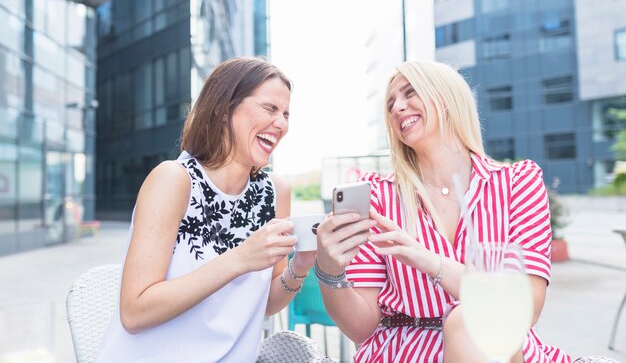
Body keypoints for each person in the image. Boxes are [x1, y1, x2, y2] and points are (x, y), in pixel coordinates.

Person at [314, 60, 571, 363]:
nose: (397, 107)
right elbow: (363, 328)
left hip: (498, 347)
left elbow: (526, 307)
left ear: (448, 97)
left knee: (472, 321)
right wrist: (329, 270)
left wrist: (431, 263)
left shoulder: (518, 183)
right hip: (405, 352)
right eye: (391, 104)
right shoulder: (379, 196)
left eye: (411, 93)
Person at [95, 57, 315, 363]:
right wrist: (240, 258)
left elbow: (264, 304)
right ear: (223, 109)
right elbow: (134, 311)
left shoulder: (275, 193)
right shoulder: (174, 180)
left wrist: (301, 265)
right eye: (270, 108)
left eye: (286, 114)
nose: (281, 124)